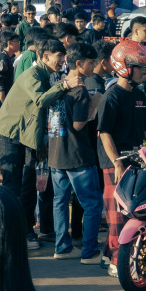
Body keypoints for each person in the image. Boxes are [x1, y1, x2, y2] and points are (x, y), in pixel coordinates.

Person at [0, 37, 71, 250]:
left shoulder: (48, 75)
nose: (63, 60)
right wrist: (65, 84)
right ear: (45, 56)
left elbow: (43, 113)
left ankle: (26, 231)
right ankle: (5, 233)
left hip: (28, 137)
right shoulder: (33, 75)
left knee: (27, 186)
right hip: (9, 134)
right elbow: (40, 100)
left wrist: (42, 142)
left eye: (63, 55)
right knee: (12, 185)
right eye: (59, 56)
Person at [97, 41, 146, 271]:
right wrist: (116, 163)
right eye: (140, 67)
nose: (144, 72)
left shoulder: (139, 96)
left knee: (129, 210)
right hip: (114, 163)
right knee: (116, 215)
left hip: (135, 161)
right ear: (125, 67)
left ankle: (108, 254)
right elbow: (104, 133)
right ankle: (116, 260)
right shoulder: (111, 97)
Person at [46, 42, 104, 263]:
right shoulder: (80, 91)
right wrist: (94, 104)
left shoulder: (59, 86)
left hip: (56, 152)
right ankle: (89, 252)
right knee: (91, 204)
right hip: (77, 155)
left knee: (59, 202)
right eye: (91, 63)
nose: (94, 66)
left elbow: (53, 123)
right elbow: (79, 124)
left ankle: (62, 248)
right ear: (79, 64)